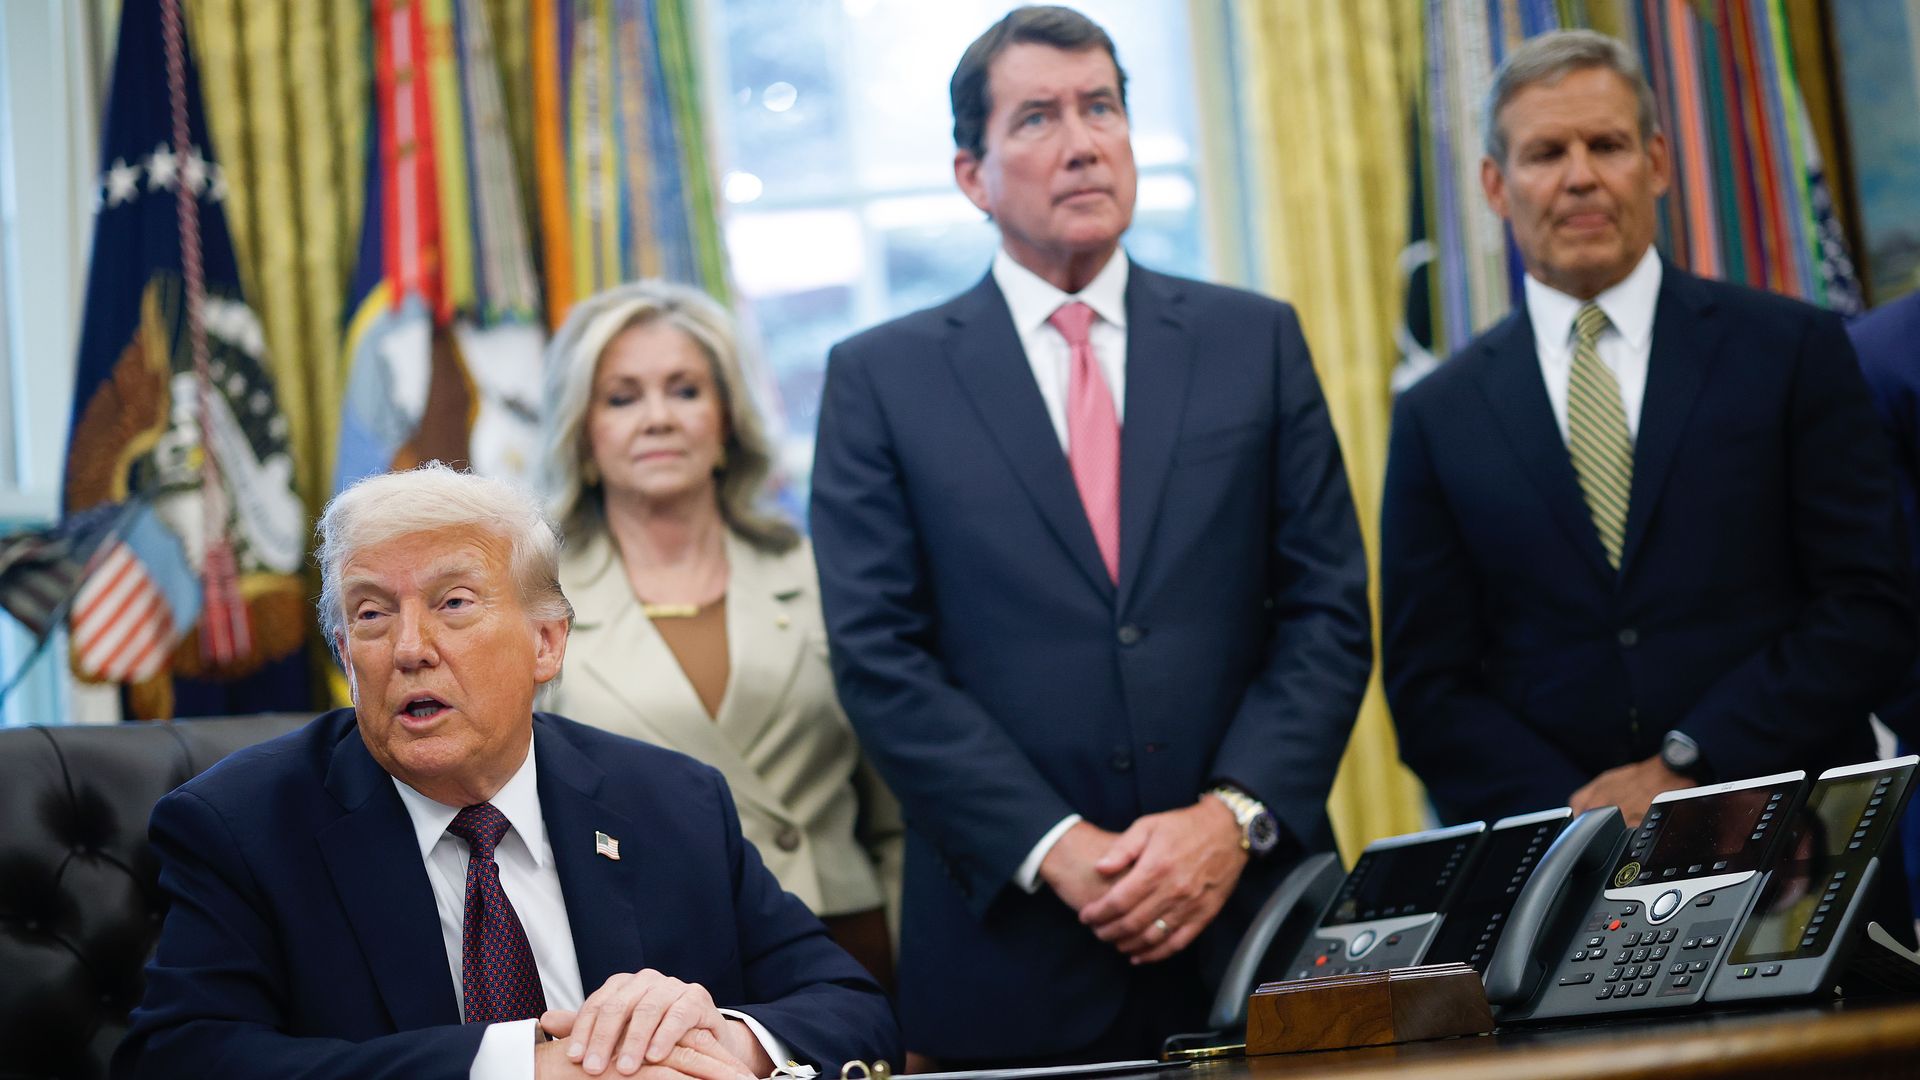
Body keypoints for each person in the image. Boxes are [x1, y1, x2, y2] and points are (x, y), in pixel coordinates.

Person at [808, 5, 1372, 1064]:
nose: (1082, 142)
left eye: (1101, 107)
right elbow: (881, 658)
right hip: (1014, 948)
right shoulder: (881, 379)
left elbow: (1328, 614)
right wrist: (1059, 851)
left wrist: (1229, 820)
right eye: (1037, 118)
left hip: (1256, 922)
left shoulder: (1255, 340)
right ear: (972, 173)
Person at [113, 464, 899, 1080]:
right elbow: (181, 1062)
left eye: (454, 603)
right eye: (372, 614)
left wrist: (720, 1041)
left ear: (547, 644)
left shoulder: (672, 802)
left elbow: (849, 1005)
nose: (410, 648)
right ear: (348, 659)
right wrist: (521, 1068)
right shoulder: (243, 827)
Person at [1382, 30, 1916, 833]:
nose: (1580, 176)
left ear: (1659, 162)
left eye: (1607, 144)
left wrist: (1687, 763)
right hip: (1560, 878)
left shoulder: (1791, 351)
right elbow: (1430, 689)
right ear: (1496, 185)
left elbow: (1871, 603)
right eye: (1545, 153)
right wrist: (1585, 818)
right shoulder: (1436, 414)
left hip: (1797, 839)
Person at [539, 281, 901, 987]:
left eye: (685, 390)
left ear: (728, 418)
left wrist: (924, 1004)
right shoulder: (536, 602)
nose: (657, 419)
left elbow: (901, 812)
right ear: (583, 434)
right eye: (622, 398)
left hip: (840, 948)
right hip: (639, 975)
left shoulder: (824, 571)